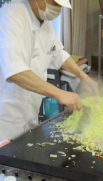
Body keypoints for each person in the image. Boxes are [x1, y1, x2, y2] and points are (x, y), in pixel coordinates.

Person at [0, 0, 98, 142]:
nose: (57, 9)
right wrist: (60, 93)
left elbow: (59, 54)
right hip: (5, 118)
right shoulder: (10, 15)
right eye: (54, 3)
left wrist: (84, 77)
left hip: (29, 114)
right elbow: (15, 71)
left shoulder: (44, 23)